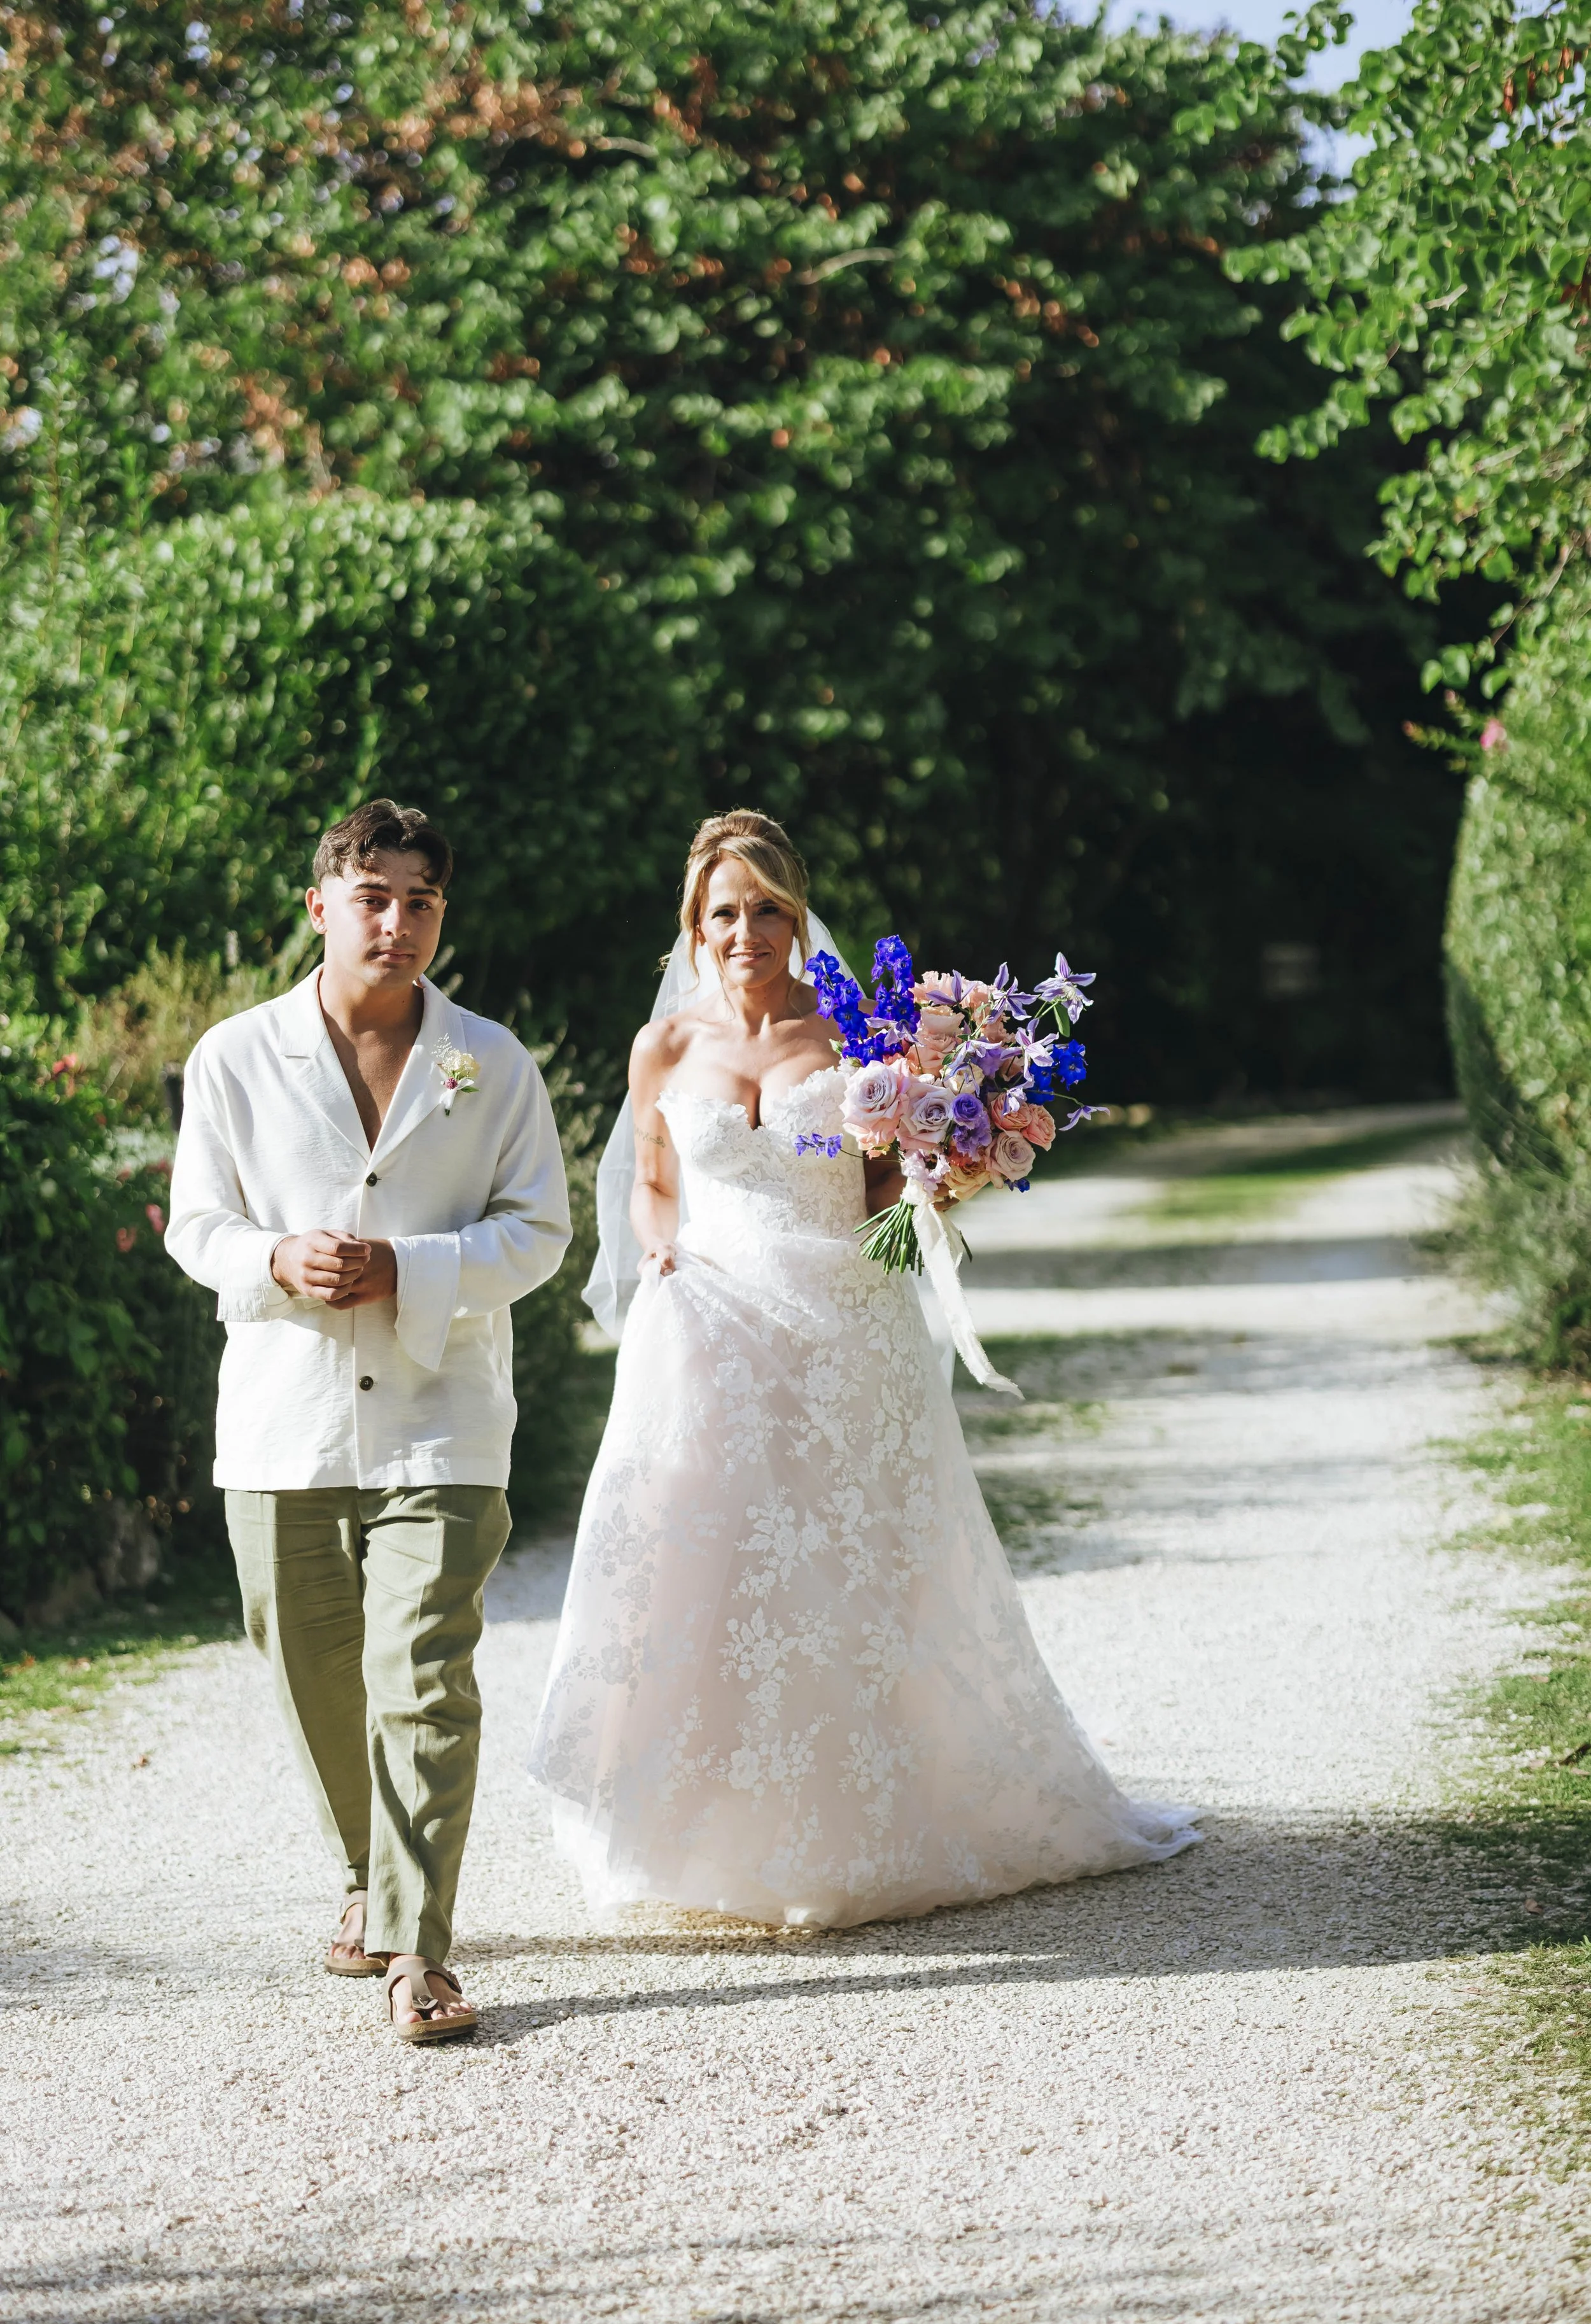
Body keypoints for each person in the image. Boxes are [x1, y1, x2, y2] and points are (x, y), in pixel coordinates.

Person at [529, 811, 1196, 1927]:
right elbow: (649, 1176)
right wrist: (654, 1241)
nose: (748, 931)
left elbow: (893, 1183)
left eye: (769, 910)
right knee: (719, 1563)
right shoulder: (665, 1048)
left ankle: (876, 1820)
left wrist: (951, 1163)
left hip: (846, 1321)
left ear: (799, 917)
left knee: (858, 1558)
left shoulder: (860, 1036)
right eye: (725, 912)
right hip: (711, 1324)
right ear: (695, 925)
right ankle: (721, 1833)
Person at [167, 799, 570, 2040]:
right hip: (282, 1418)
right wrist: (279, 1254)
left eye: (422, 901)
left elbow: (539, 1230)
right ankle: (370, 1874)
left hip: (441, 1416)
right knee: (307, 1664)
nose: (398, 923)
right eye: (374, 897)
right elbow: (196, 1225)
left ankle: (418, 1949)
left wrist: (412, 1268)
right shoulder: (234, 1055)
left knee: (425, 1673)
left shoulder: (489, 1061)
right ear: (321, 905)